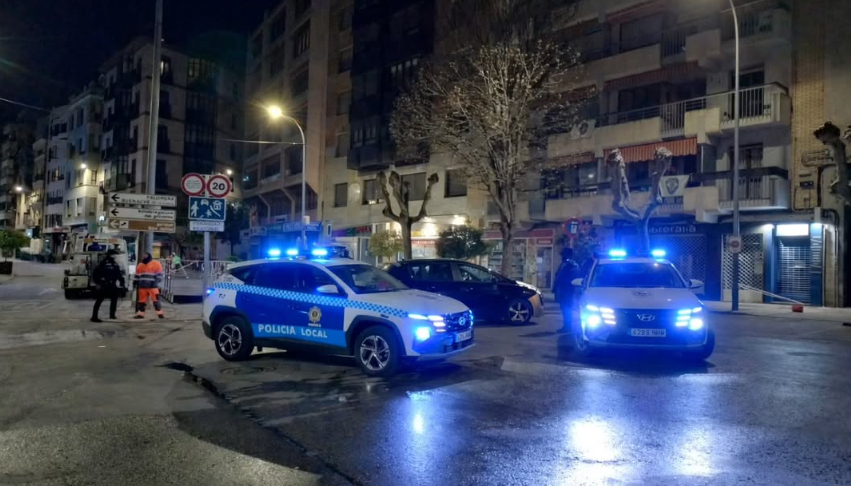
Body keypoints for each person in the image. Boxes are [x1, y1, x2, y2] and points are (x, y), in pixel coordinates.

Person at [91, 249, 125, 323]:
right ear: (110, 255)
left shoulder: (115, 263)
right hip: (104, 285)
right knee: (99, 300)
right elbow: (96, 274)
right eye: (114, 254)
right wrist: (98, 283)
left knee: (114, 300)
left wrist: (122, 283)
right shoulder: (103, 263)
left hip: (112, 284)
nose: (115, 256)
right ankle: (94, 317)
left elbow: (118, 274)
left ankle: (112, 315)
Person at [553, 247, 581, 333]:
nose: (562, 255)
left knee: (567, 308)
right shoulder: (564, 264)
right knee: (564, 308)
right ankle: (566, 326)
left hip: (568, 290)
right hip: (563, 289)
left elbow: (572, 278)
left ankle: (568, 327)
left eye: (564, 254)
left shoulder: (571, 265)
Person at [134, 252, 165, 319]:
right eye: (143, 256)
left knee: (156, 300)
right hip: (143, 286)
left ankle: (160, 314)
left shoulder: (156, 264)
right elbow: (137, 275)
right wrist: (135, 282)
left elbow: (159, 274)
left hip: (152, 286)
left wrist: (156, 282)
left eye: (145, 256)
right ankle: (141, 314)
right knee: (141, 301)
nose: (144, 257)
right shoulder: (140, 265)